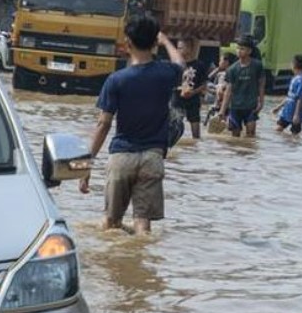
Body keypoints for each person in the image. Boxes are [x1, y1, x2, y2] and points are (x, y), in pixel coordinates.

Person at [79, 14, 184, 236]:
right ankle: (141, 265)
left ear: (127, 43)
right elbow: (180, 64)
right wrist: (166, 41)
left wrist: (87, 163)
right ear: (154, 43)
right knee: (143, 225)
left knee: (110, 223)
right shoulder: (166, 74)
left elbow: (103, 124)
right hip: (152, 158)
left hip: (121, 157)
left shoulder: (116, 80)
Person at [216, 36, 266, 137]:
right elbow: (228, 91)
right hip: (235, 107)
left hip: (251, 107)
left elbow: (261, 84)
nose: (239, 51)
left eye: (242, 48)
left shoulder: (257, 66)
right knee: (235, 138)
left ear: (249, 51)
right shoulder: (232, 69)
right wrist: (222, 110)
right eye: (238, 48)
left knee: (251, 135)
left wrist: (261, 101)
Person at [174, 37, 209, 139]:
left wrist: (193, 92)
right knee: (174, 127)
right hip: (177, 100)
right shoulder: (176, 65)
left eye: (181, 48)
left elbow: (204, 84)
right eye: (177, 48)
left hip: (193, 100)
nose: (178, 50)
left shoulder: (199, 65)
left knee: (196, 132)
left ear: (189, 48)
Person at [273, 54, 302, 135]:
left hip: (295, 112)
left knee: (295, 135)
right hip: (287, 111)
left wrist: (296, 115)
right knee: (277, 130)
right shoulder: (294, 78)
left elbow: (300, 98)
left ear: (293, 64)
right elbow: (289, 96)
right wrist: (278, 107)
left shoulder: (301, 80)